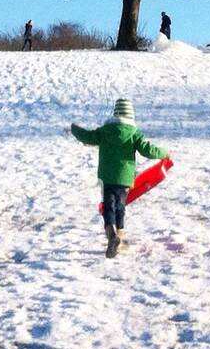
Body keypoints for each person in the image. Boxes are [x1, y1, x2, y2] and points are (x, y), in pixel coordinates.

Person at [70, 97, 169, 258]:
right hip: (124, 178)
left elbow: (88, 137)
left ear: (115, 114)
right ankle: (120, 235)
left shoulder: (105, 130)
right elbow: (148, 150)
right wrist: (164, 153)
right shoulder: (134, 133)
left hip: (107, 176)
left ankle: (110, 233)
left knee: (108, 206)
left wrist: (75, 129)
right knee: (120, 206)